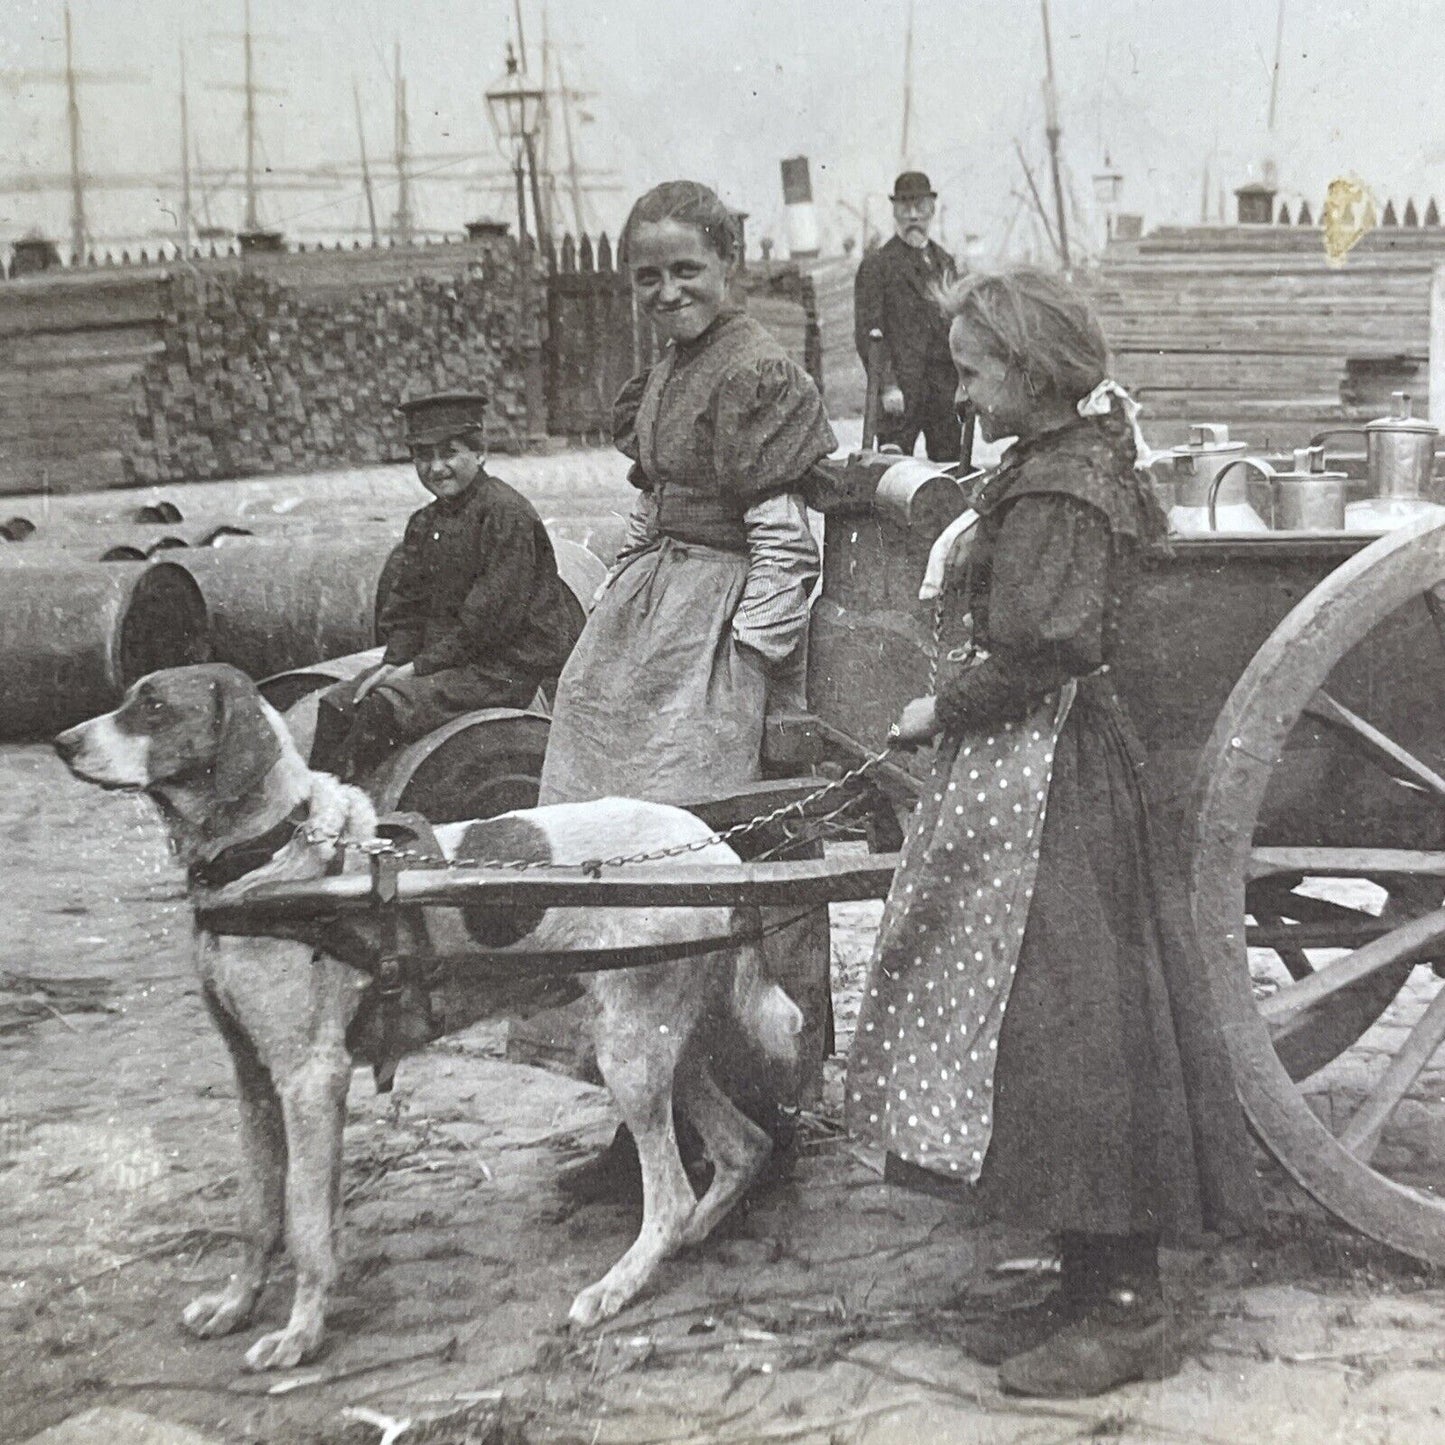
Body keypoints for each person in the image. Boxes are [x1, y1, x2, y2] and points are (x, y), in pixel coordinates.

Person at [847, 268, 1260, 1398]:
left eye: (976, 370)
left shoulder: (1063, 491)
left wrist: (939, 706)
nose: (963, 390)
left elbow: (1050, 646)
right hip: (1027, 779)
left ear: (1030, 371)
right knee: (1030, 1031)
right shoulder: (1048, 464)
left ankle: (1127, 1304)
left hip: (1053, 785)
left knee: (1077, 1032)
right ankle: (1083, 1278)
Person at [537, 179, 837, 1197]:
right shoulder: (666, 371)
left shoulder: (757, 374)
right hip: (655, 603)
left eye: (686, 272)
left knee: (686, 849)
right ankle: (645, 1112)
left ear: (731, 269)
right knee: (599, 841)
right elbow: (652, 505)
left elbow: (785, 540)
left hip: (717, 623)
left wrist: (744, 667)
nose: (666, 293)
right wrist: (616, 598)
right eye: (647, 277)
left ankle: (755, 1113)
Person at [310, 390, 583, 783]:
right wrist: (393, 661)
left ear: (480, 453)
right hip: (450, 664)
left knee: (383, 707)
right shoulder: (424, 522)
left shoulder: (505, 515)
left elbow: (488, 621)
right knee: (338, 703)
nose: (436, 467)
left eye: (449, 453)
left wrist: (416, 670)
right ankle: (316, 808)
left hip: (501, 669)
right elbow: (407, 606)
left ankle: (357, 805)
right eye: (423, 456)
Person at [853, 171, 961, 460]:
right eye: (904, 208)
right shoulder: (877, 265)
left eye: (920, 207)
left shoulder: (945, 263)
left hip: (943, 393)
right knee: (893, 476)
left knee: (949, 474)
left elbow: (958, 328)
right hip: (899, 396)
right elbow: (869, 333)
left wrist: (963, 384)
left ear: (932, 210)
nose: (913, 216)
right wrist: (887, 385)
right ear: (895, 213)